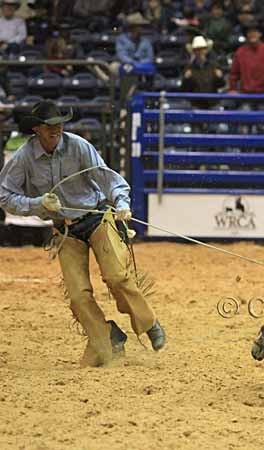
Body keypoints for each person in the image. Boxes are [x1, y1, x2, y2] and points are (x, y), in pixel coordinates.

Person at [0, 100, 166, 368]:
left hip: (97, 217)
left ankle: (148, 323)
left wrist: (122, 204)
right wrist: (37, 204)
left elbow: (108, 179)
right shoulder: (23, 157)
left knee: (116, 275)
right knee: (78, 296)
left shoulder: (78, 146)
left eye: (59, 124)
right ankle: (107, 337)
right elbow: (4, 196)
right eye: (49, 126)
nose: (56, 129)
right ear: (37, 130)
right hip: (65, 230)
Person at [228, 20, 264, 94]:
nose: (252, 34)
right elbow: (234, 74)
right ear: (247, 34)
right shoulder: (240, 52)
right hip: (246, 94)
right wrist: (233, 89)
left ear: (260, 34)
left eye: (255, 32)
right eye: (250, 32)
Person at [182, 35, 225, 108]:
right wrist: (186, 79)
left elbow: (221, 85)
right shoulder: (189, 68)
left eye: (202, 49)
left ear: (205, 50)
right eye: (197, 49)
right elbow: (184, 89)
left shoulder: (214, 66)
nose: (200, 52)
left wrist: (219, 78)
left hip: (213, 103)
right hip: (196, 105)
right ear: (194, 51)